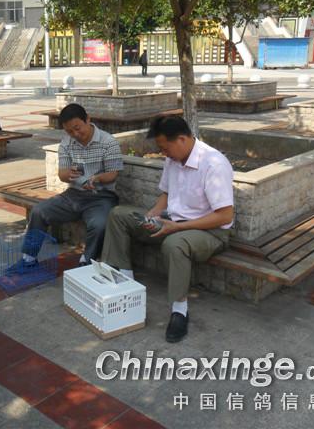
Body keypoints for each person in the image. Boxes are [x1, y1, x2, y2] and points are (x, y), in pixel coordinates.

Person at [100, 115, 234, 343]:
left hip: (210, 231)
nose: (163, 153)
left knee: (174, 244)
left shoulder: (214, 164)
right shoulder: (174, 159)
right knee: (119, 215)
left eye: (165, 148)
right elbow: (167, 193)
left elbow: (224, 216)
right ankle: (125, 282)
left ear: (182, 139)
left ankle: (179, 310)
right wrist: (152, 215)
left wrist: (177, 228)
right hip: (173, 222)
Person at [15, 103, 123, 270]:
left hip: (101, 197)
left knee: (99, 224)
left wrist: (96, 178)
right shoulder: (66, 143)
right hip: (73, 195)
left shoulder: (108, 141)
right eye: (69, 131)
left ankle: (87, 260)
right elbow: (62, 174)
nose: (75, 134)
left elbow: (112, 174)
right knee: (39, 211)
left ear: (88, 120)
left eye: (77, 128)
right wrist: (68, 174)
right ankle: (29, 257)